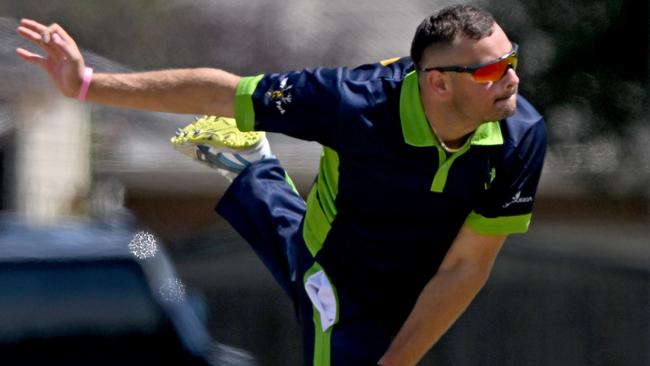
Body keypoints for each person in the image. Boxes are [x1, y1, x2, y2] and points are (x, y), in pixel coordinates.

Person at [16, 4, 547, 365]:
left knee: (294, 250)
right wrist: (87, 84)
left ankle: (253, 166)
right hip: (340, 278)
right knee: (312, 276)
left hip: (414, 284)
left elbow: (465, 267)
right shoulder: (351, 101)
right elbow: (223, 94)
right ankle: (253, 165)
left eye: (512, 60)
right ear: (437, 82)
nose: (512, 79)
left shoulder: (521, 134)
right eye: (490, 71)